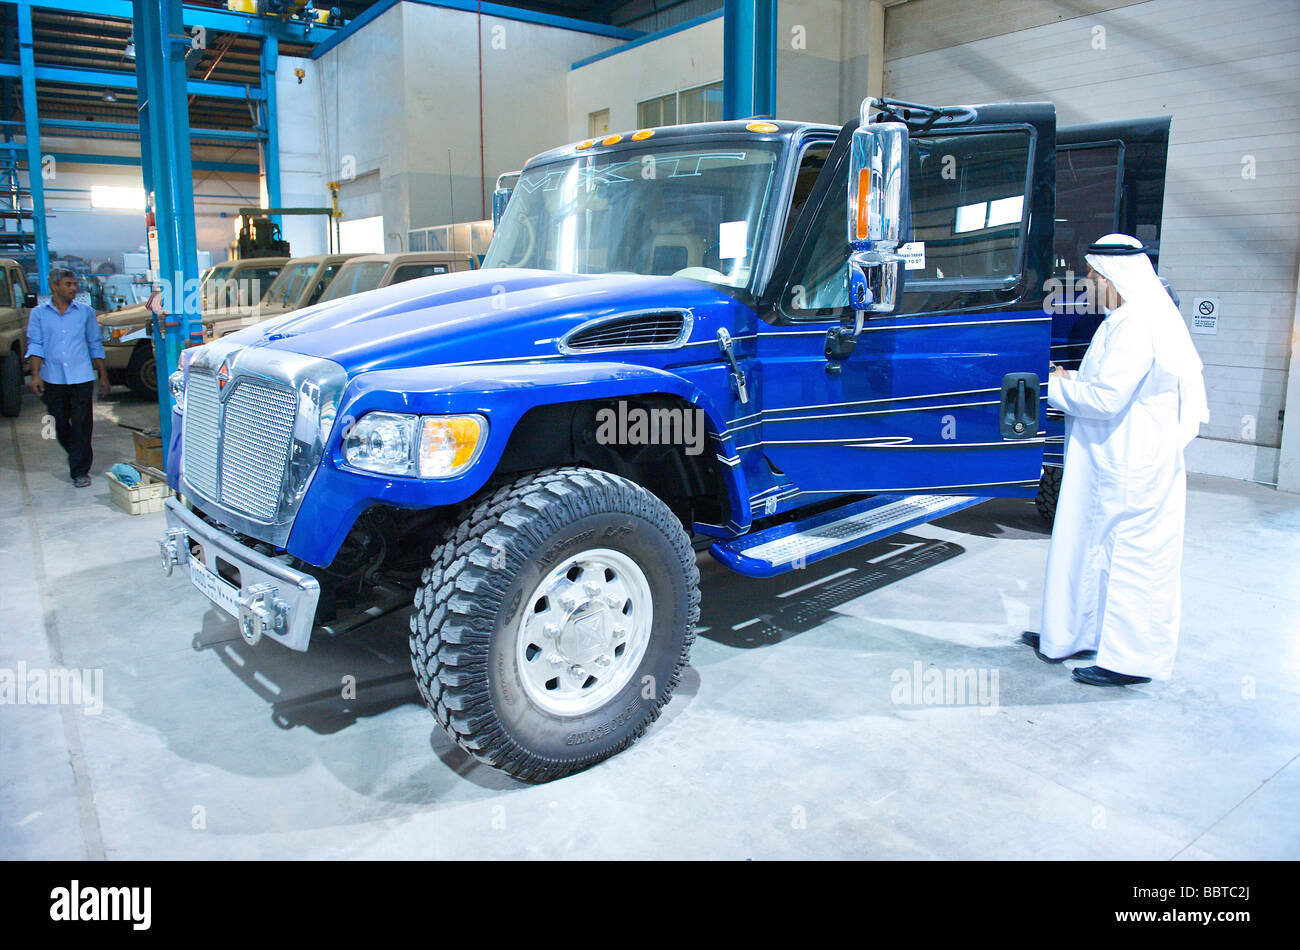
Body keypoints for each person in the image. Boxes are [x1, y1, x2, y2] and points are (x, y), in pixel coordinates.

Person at [1024, 233, 1209, 686]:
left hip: (1131, 466)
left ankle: (1129, 663)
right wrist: (1071, 378)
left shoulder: (1139, 322)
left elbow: (1105, 399)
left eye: (1092, 276)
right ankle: (1072, 634)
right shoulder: (1129, 318)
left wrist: (1053, 386)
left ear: (1113, 276)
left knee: (1132, 562)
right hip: (1113, 459)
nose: (1088, 284)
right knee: (1090, 548)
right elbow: (1107, 383)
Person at [25, 268, 111, 487]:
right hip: (53, 378)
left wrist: (103, 375)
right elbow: (36, 345)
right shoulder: (39, 314)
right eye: (68, 284)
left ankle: (80, 471)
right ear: (54, 287)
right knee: (60, 423)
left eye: (74, 284)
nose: (74, 288)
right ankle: (77, 454)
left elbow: (95, 344)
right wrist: (35, 375)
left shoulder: (85, 313)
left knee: (82, 424)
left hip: (81, 376)